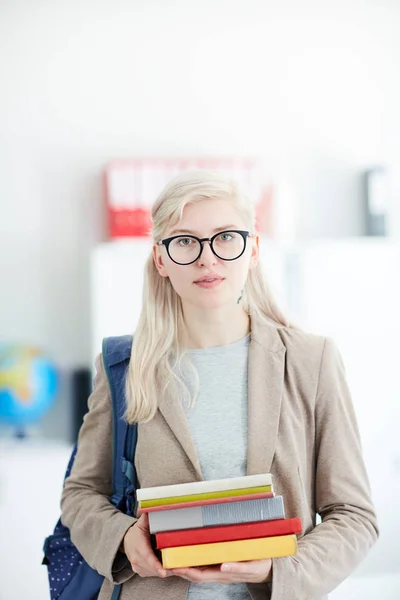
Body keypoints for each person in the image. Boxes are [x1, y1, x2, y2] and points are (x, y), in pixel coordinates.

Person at [61, 170, 379, 600]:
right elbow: (81, 494)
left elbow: (353, 515)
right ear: (161, 259)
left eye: (226, 237)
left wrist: (278, 570)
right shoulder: (124, 365)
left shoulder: (311, 360)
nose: (207, 259)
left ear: (252, 250)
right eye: (185, 241)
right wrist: (122, 539)